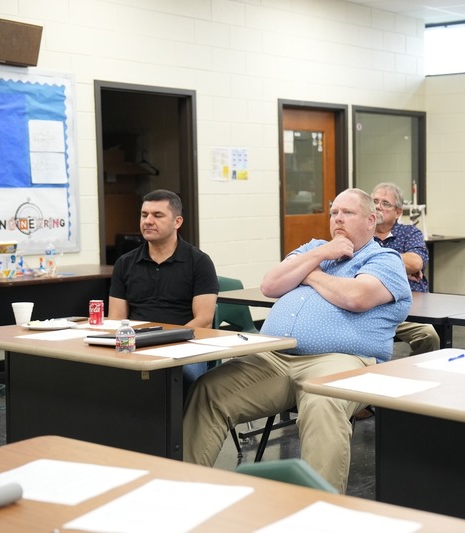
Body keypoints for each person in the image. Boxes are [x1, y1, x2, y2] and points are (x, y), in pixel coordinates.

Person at [182, 188, 411, 493]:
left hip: (342, 360)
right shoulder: (314, 248)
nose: (337, 219)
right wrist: (320, 255)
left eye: (347, 213)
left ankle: (319, 513)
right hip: (275, 357)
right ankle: (183, 492)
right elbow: (271, 284)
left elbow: (355, 297)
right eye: (333, 213)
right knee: (210, 390)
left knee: (323, 402)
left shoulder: (384, 258)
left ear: (371, 220)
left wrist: (309, 273)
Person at [109, 189, 219, 393]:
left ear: (177, 222)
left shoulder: (199, 262)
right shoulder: (125, 263)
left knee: (181, 377)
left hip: (185, 346)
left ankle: (182, 425)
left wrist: (166, 344)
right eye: (144, 215)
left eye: (157, 215)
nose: (148, 221)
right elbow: (115, 319)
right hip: (137, 345)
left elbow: (204, 319)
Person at [372, 182, 440, 355]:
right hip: (370, 307)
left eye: (385, 203)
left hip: (407, 306)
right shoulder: (361, 232)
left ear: (398, 212)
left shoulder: (410, 233)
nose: (378, 207)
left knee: (429, 335)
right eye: (375, 201)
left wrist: (372, 264)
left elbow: (416, 263)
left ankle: (417, 374)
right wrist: (399, 268)